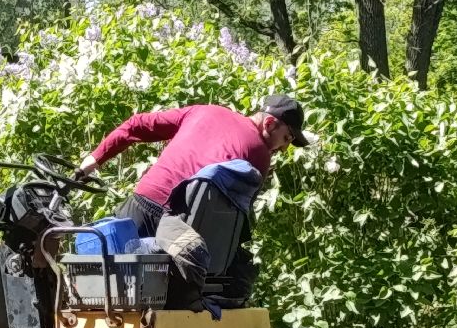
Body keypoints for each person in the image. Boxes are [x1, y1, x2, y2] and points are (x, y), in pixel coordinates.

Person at [74, 95, 312, 238]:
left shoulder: (204, 110)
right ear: (270, 124)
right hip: (178, 228)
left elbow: (137, 125)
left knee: (110, 286)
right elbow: (236, 222)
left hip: (139, 205)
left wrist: (94, 160)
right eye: (287, 139)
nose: (283, 149)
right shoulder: (259, 155)